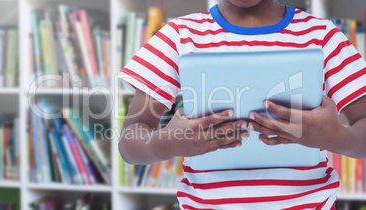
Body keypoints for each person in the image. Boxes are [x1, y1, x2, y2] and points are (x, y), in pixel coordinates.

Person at [117, 0, 366, 209]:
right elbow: (130, 142)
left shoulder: (323, 36)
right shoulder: (179, 35)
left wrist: (336, 137)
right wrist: (166, 142)